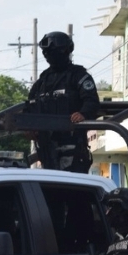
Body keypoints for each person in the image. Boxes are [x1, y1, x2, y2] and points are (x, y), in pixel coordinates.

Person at [27, 31, 99, 174]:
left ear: (64, 51)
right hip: (47, 148)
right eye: (46, 52)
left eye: (51, 51)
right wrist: (28, 127)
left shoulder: (78, 75)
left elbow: (92, 101)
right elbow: (30, 106)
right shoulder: (43, 81)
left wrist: (83, 114)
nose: (48, 55)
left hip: (72, 146)